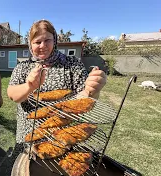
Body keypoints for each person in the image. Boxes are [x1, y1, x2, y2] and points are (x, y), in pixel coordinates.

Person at [7, 19, 107, 148]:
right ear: (30, 44)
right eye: (37, 42)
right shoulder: (23, 67)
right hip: (28, 135)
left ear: (54, 41)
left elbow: (85, 98)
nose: (43, 46)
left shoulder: (72, 64)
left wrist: (93, 89)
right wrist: (29, 87)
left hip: (62, 136)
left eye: (47, 40)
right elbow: (12, 95)